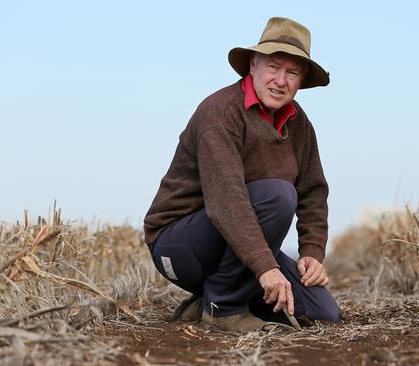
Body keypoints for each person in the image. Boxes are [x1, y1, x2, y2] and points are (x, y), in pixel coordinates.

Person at [143, 17, 340, 332]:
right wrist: (266, 268)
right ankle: (225, 308)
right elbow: (227, 201)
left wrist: (312, 252)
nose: (280, 80)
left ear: (301, 79)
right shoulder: (220, 114)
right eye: (274, 67)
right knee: (278, 195)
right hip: (178, 246)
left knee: (322, 312)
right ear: (253, 65)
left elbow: (313, 191)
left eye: (292, 72)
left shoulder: (299, 123)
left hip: (235, 242)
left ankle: (208, 300)